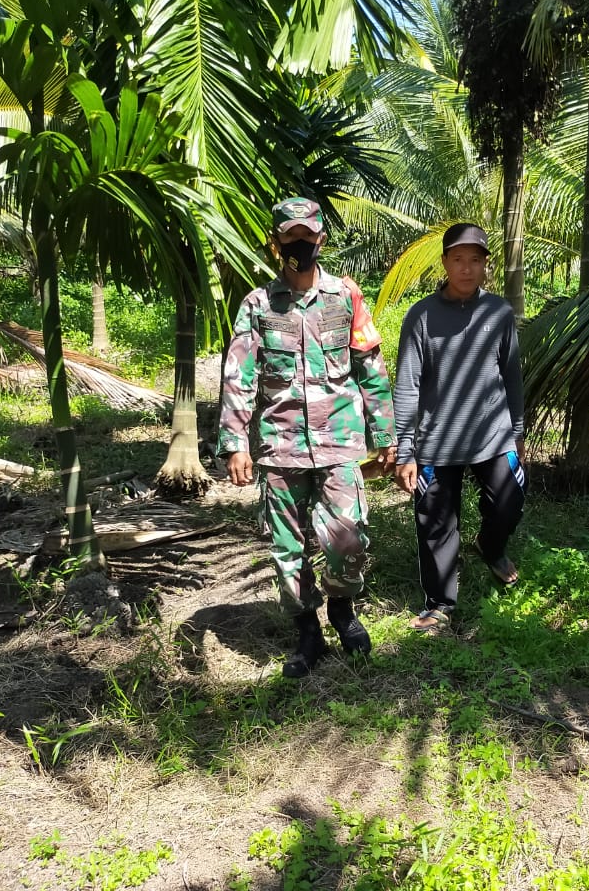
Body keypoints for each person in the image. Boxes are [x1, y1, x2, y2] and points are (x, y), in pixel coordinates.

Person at [217, 197, 394, 677]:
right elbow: (239, 377)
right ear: (276, 243)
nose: (300, 244)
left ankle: (343, 611)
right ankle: (308, 632)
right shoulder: (257, 305)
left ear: (321, 239)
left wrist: (386, 434)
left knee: (346, 539)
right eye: (290, 237)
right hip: (281, 444)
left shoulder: (345, 296)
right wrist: (235, 443)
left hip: (340, 440)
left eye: (307, 236)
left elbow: (370, 368)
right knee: (288, 547)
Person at [393, 222, 527, 633]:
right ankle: (439, 604)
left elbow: (511, 375)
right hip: (436, 443)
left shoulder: (499, 313)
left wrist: (517, 432)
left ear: (486, 265)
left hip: (494, 435)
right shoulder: (421, 316)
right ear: (446, 263)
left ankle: (490, 545)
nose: (466, 268)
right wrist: (405, 450)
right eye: (458, 259)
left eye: (475, 260)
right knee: (436, 524)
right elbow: (407, 384)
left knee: (510, 501)